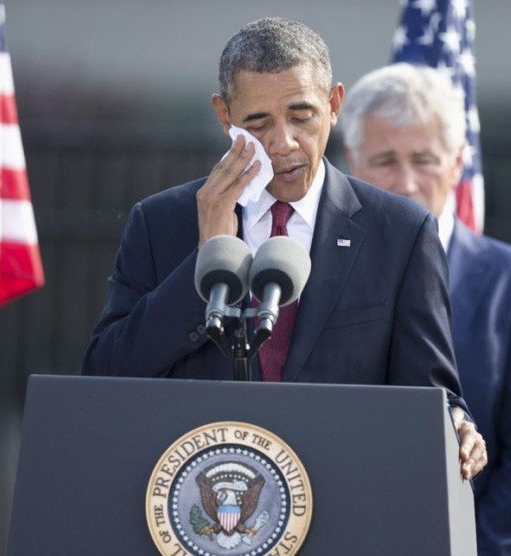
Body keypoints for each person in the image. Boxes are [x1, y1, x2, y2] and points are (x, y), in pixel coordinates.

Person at [83, 17, 486, 480]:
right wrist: (209, 254)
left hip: (344, 503)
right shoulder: (160, 223)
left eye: (301, 116)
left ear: (334, 105)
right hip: (198, 507)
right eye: (258, 122)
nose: (283, 143)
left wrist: (455, 421)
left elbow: (429, 393)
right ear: (224, 117)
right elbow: (105, 375)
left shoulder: (401, 231)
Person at [341, 63, 511, 555]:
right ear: (353, 161)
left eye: (424, 159)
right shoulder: (313, 270)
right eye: (385, 160)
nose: (405, 182)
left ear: (458, 161)